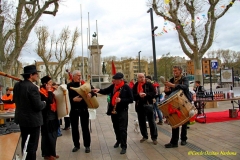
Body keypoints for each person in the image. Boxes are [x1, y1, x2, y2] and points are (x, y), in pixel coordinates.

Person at [93, 72, 133, 154]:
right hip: (113, 110)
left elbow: (131, 99)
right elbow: (106, 90)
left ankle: (123, 146)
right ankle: (118, 141)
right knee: (116, 127)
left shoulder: (126, 87)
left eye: (115, 79)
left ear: (120, 80)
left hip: (122, 110)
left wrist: (121, 100)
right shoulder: (113, 86)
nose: (114, 80)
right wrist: (98, 90)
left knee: (122, 129)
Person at [13, 65, 46, 160]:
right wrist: (44, 102)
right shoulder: (32, 88)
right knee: (32, 145)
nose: (37, 76)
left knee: (25, 142)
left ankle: (24, 157)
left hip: (22, 119)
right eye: (36, 74)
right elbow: (38, 106)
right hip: (33, 121)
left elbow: (15, 99)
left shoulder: (17, 85)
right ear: (31, 75)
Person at [67, 70, 96, 153]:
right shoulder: (69, 86)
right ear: (73, 76)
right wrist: (73, 99)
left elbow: (94, 92)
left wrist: (91, 94)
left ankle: (87, 145)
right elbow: (66, 98)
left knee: (85, 128)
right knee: (74, 128)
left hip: (83, 109)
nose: (80, 77)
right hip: (74, 110)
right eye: (78, 75)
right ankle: (76, 145)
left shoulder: (85, 84)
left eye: (80, 75)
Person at [164, 66, 192, 148]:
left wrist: (173, 85)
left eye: (176, 70)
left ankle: (184, 139)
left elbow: (185, 87)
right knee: (175, 123)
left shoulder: (184, 79)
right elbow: (171, 92)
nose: (174, 72)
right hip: (175, 104)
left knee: (184, 123)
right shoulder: (172, 79)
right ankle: (174, 142)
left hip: (184, 102)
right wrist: (167, 91)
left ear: (180, 71)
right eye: (173, 71)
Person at [132, 73, 158, 145]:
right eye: (140, 77)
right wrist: (138, 95)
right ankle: (144, 136)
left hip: (148, 105)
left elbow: (154, 93)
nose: (142, 78)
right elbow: (133, 96)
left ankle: (154, 137)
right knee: (141, 122)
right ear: (137, 78)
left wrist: (146, 95)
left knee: (151, 122)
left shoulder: (148, 84)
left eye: (143, 77)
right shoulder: (136, 85)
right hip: (139, 106)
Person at [39, 76, 59, 160]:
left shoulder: (50, 91)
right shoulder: (41, 93)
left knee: (53, 135)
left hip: (53, 115)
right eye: (50, 82)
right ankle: (47, 154)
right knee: (48, 136)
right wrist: (50, 90)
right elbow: (49, 101)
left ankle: (52, 153)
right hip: (47, 117)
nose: (51, 84)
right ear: (45, 84)